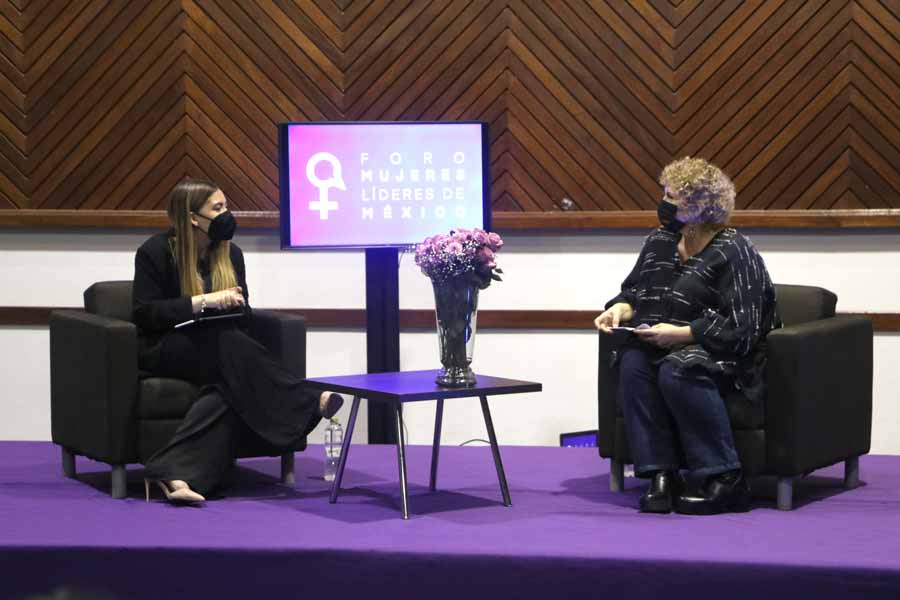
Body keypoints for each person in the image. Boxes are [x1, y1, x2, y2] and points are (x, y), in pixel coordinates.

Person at [133, 178, 343, 505]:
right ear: (192, 218)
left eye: (226, 206)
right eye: (218, 209)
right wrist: (204, 301)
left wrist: (234, 305)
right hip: (166, 347)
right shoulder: (155, 251)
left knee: (224, 387)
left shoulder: (232, 254)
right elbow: (145, 314)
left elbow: (243, 320)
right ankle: (305, 398)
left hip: (218, 345)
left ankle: (174, 474)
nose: (226, 214)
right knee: (225, 343)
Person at [594, 157, 779, 515]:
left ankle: (726, 478)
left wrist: (682, 335)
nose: (663, 202)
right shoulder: (659, 241)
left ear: (697, 207)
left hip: (725, 354)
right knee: (634, 362)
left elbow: (745, 329)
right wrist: (619, 309)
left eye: (671, 196)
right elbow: (634, 293)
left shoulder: (735, 250)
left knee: (678, 366)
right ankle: (661, 475)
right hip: (663, 343)